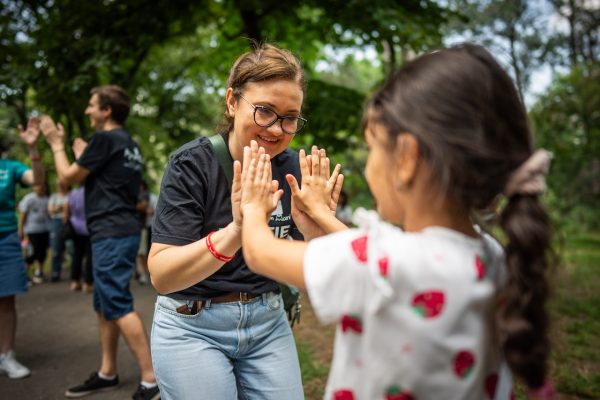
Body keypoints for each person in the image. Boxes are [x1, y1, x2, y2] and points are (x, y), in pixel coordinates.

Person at [239, 44, 555, 399]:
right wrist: (323, 219)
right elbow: (378, 260)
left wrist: (253, 204)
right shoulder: (494, 256)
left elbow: (259, 252)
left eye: (373, 147)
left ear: (406, 157)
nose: (369, 164)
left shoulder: (382, 263)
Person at [148, 43, 341, 400]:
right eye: (265, 111)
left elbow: (327, 273)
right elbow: (162, 275)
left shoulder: (294, 170)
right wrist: (238, 229)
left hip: (268, 323)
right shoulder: (192, 165)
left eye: (290, 118)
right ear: (232, 102)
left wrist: (318, 231)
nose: (277, 129)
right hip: (192, 325)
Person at [39, 85, 159, 400]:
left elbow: (67, 178)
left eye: (92, 105)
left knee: (116, 302)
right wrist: (86, 155)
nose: (87, 110)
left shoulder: (104, 139)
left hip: (111, 231)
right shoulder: (128, 143)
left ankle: (152, 379)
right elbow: (108, 180)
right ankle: (108, 372)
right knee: (105, 302)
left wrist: (55, 144)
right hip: (119, 229)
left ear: (106, 111)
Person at [0, 117, 44, 379]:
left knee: (6, 299)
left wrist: (33, 147)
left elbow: (37, 179)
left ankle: (6, 355)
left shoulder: (10, 167)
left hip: (6, 238)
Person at [18, 182, 51, 284]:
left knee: (42, 252)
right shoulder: (29, 199)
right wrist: (21, 229)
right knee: (32, 253)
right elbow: (23, 215)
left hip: (44, 229)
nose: (39, 188)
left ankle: (39, 272)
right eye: (37, 186)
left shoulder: (46, 199)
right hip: (31, 230)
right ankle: (23, 274)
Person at [65, 186, 93, 293]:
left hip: (75, 227)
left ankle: (75, 281)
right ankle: (87, 283)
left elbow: (68, 210)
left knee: (77, 254)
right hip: (90, 227)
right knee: (90, 255)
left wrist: (67, 222)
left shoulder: (73, 193)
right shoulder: (93, 190)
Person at [48, 179, 70, 282]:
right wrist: (63, 207)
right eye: (58, 184)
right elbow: (51, 210)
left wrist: (59, 208)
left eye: (61, 183)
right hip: (56, 222)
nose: (59, 185)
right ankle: (55, 272)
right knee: (56, 249)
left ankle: (76, 273)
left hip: (70, 223)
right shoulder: (54, 196)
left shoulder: (70, 195)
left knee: (72, 248)